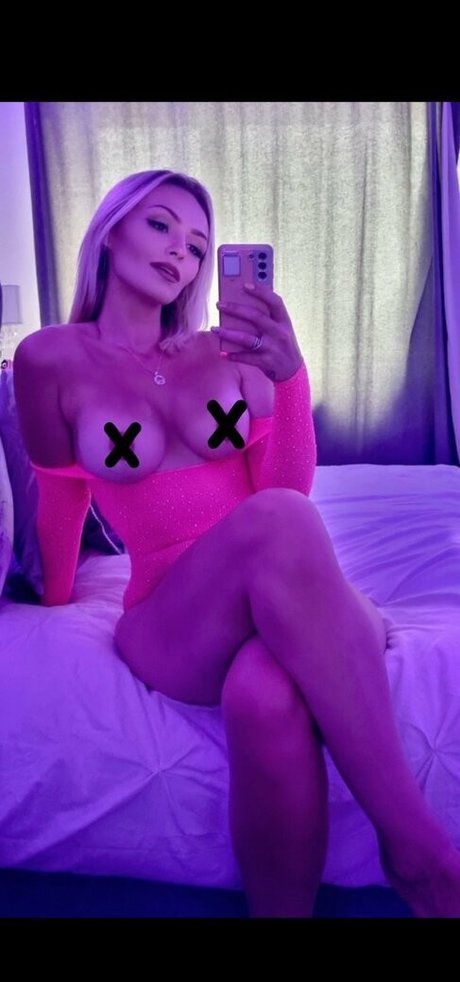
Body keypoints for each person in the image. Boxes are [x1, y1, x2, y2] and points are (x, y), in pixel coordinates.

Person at [14, 169, 460, 918]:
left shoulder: (224, 350)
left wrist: (289, 381)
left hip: (280, 587)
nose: (181, 253)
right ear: (111, 231)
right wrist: (52, 594)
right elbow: (60, 498)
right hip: (170, 616)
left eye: (197, 246)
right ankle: (420, 849)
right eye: (161, 226)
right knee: (276, 521)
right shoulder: (47, 359)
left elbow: (284, 486)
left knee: (264, 690)